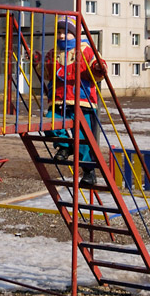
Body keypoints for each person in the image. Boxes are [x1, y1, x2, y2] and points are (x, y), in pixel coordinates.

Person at [43, 18, 106, 186]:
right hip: (58, 99)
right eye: (60, 32)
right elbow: (48, 74)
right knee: (48, 122)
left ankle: (88, 171)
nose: (62, 36)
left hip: (82, 100)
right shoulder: (53, 52)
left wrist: (99, 67)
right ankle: (65, 145)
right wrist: (38, 62)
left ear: (75, 33)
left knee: (84, 136)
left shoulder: (85, 50)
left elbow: (97, 68)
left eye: (67, 32)